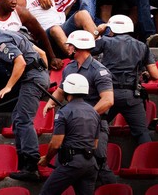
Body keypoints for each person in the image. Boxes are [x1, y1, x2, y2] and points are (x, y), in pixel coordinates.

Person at [0, 15, 49, 182]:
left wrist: (8, 87)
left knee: (23, 120)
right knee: (17, 118)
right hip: (36, 78)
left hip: (31, 80)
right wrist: (44, 75)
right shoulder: (11, 34)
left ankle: (30, 165)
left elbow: (20, 63)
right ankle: (23, 162)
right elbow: (41, 53)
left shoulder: (2, 43)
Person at [43, 30, 115, 184]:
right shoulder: (70, 68)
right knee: (64, 162)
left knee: (99, 162)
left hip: (94, 124)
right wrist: (51, 102)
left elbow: (108, 100)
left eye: (70, 45)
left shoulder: (99, 71)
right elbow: (62, 90)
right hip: (74, 124)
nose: (67, 47)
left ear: (77, 48)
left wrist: (87, 116)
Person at [92, 15, 158, 144]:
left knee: (94, 128)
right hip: (131, 96)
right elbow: (155, 75)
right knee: (142, 133)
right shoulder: (142, 46)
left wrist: (97, 32)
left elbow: (83, 49)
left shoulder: (105, 41)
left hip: (108, 94)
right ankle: (148, 161)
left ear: (112, 28)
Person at [38, 73, 100, 195]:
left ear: (67, 90)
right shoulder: (94, 112)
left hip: (72, 163)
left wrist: (46, 159)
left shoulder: (63, 112)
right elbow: (95, 143)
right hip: (90, 164)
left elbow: (56, 144)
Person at [18, 0, 100, 57]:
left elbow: (57, 13)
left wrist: (70, 3)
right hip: (45, 36)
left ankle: (98, 46)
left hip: (61, 27)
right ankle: (77, 56)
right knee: (55, 29)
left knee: (82, 14)